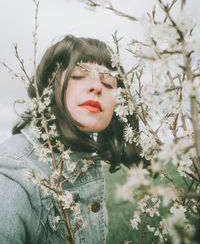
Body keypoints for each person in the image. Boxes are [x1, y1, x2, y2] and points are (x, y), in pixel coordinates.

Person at [0, 35, 140, 244]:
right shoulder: (14, 175)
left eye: (109, 83)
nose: (97, 87)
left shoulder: (82, 160)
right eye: (78, 75)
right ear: (50, 86)